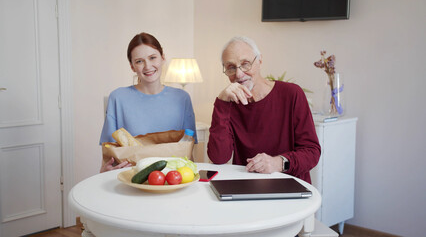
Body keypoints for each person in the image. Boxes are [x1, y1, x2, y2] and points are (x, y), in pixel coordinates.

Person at [207, 36, 320, 184]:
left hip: (290, 186)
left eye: (245, 64)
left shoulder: (291, 94)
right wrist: (221, 103)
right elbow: (218, 157)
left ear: (259, 61)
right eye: (231, 67)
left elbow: (312, 152)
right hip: (246, 187)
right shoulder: (229, 104)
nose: (239, 74)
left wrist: (277, 163)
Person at [99, 32, 197, 173]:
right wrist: (104, 172)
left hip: (172, 179)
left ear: (162, 58)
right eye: (139, 61)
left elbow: (188, 152)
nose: (147, 66)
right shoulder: (117, 98)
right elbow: (109, 155)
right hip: (130, 178)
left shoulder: (182, 98)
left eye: (152, 58)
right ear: (132, 66)